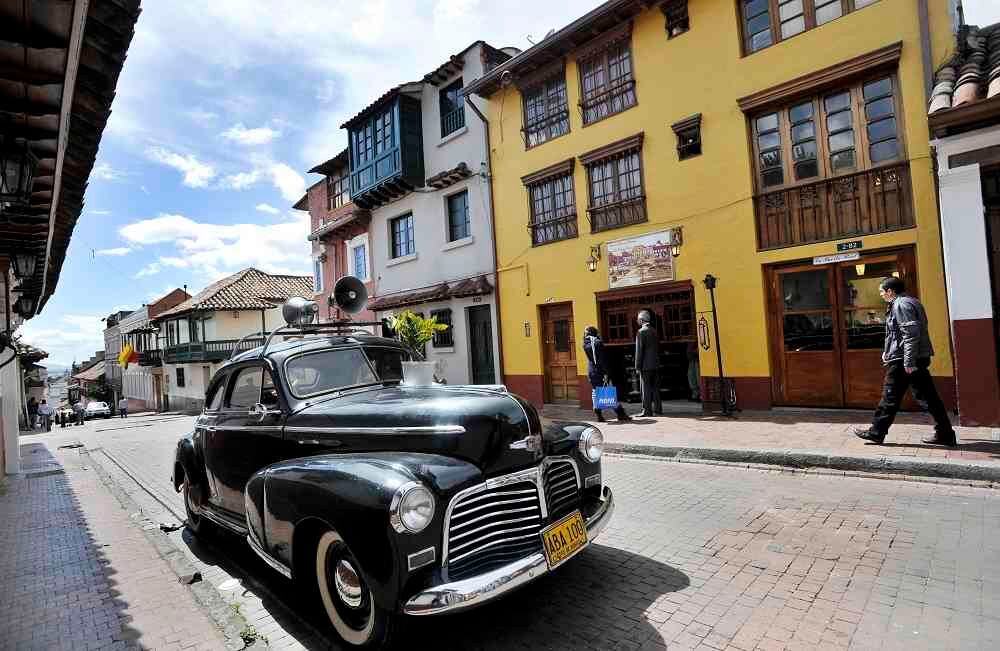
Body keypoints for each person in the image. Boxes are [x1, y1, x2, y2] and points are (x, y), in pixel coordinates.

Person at [855, 277, 956, 446]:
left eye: (882, 291)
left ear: (890, 291)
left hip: (905, 360)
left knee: (890, 396)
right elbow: (899, 334)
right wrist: (888, 352)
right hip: (911, 357)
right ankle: (945, 433)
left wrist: (908, 362)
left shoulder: (901, 305)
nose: (881, 295)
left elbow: (910, 334)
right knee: (928, 397)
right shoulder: (911, 302)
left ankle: (876, 432)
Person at [582, 326, 631, 423]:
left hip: (591, 371)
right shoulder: (598, 343)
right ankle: (620, 413)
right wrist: (606, 372)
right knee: (608, 392)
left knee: (595, 391)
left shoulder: (585, 344)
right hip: (600, 371)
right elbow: (602, 360)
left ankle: (598, 413)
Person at [634, 310, 662, 417]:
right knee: (655, 388)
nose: (637, 321)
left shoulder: (641, 332)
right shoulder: (654, 331)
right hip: (655, 363)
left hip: (645, 365)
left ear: (641, 320)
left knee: (645, 388)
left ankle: (647, 411)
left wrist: (637, 366)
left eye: (638, 319)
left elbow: (639, 351)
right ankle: (658, 409)